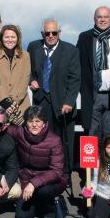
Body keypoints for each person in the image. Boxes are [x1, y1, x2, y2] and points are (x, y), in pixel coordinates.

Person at [28, 19, 81, 173]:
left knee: (63, 142)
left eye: (54, 33)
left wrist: (69, 102)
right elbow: (28, 69)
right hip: (41, 101)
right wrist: (32, 80)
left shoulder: (71, 50)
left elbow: (75, 79)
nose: (50, 36)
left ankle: (64, 174)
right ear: (42, 34)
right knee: (42, 139)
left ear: (59, 33)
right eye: (47, 33)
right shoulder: (33, 47)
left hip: (63, 104)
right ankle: (43, 172)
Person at [76, 6, 110, 134]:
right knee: (92, 133)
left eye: (106, 17)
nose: (102, 20)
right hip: (92, 95)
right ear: (94, 19)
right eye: (99, 17)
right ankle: (92, 155)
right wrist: (82, 88)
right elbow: (77, 64)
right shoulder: (85, 37)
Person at [0, 24, 31, 125]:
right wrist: (6, 103)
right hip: (0, 105)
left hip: (20, 107)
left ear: (18, 39)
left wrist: (13, 104)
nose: (10, 40)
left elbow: (25, 80)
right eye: (7, 37)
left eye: (13, 37)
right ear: (1, 38)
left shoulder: (25, 56)